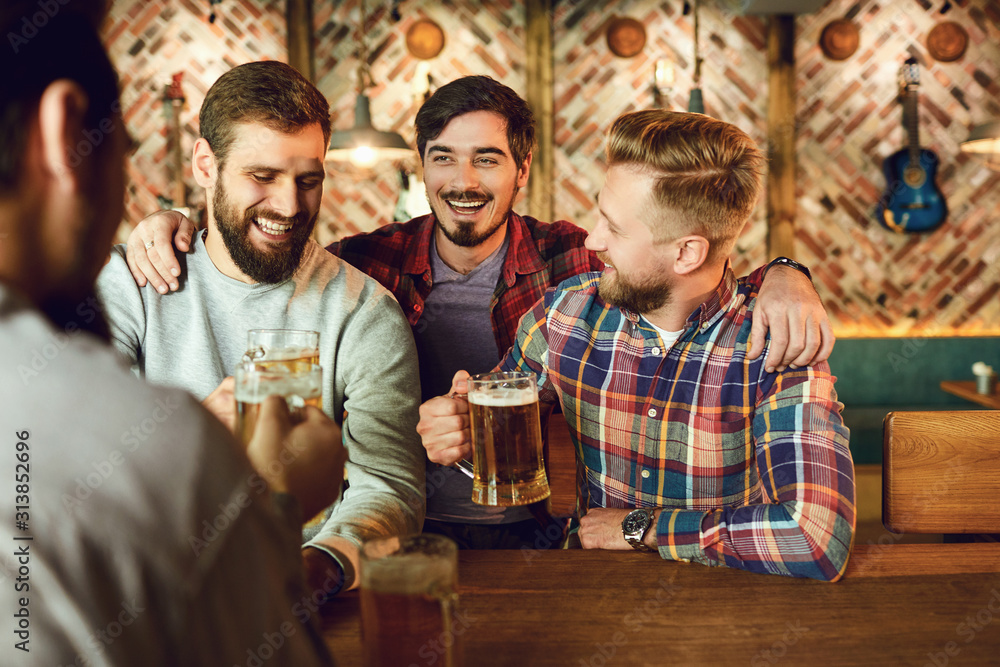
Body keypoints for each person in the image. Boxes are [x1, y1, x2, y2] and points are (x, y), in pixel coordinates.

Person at [124, 76, 833, 550]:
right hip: (409, 527)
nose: (463, 181)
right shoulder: (368, 266)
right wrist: (177, 220)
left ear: (520, 171)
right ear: (422, 168)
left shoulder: (575, 273)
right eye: (443, 159)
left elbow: (693, 261)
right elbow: (270, 243)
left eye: (487, 160)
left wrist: (785, 275)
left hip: (534, 532)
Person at [0, 3, 342, 664]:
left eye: (307, 180)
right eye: (122, 150)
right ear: (62, 135)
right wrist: (267, 498)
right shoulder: (171, 452)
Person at [417, 109, 856, 582]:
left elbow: (816, 539)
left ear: (687, 253)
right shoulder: (562, 316)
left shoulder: (776, 343)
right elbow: (496, 428)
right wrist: (457, 428)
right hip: (587, 593)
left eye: (615, 228)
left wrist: (641, 528)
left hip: (729, 608)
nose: (593, 239)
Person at [94, 61, 425, 595]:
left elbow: (388, 486)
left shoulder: (364, 313)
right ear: (206, 164)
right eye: (263, 176)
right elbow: (77, 467)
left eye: (308, 180)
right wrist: (195, 438)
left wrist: (318, 569)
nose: (289, 206)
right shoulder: (130, 285)